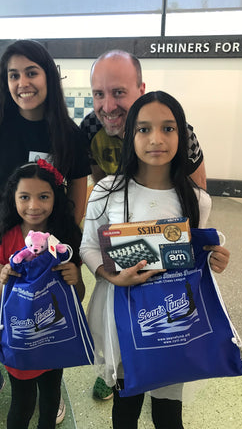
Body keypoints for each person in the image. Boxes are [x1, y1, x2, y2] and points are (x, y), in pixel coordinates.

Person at [0, 39, 90, 426]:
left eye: (32, 72)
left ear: (48, 77)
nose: (23, 83)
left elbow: (77, 197)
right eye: (13, 75)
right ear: (4, 81)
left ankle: (51, 392)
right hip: (0, 245)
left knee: (47, 322)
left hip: (49, 248)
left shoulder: (67, 133)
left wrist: (69, 249)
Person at [80, 91, 230, 429]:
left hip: (174, 320)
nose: (156, 139)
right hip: (123, 317)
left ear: (183, 135)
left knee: (167, 412)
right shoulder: (106, 193)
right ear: (130, 134)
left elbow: (194, 259)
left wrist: (214, 259)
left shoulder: (197, 199)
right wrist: (110, 275)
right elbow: (87, 246)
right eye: (144, 129)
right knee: (126, 404)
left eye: (168, 128)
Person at [0, 161, 85, 429]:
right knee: (21, 405)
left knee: (51, 399)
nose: (34, 206)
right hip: (18, 337)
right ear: (13, 199)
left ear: (56, 197)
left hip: (54, 335)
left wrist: (74, 279)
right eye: (24, 197)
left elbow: (77, 296)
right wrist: (4, 281)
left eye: (43, 196)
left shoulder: (65, 240)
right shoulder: (5, 239)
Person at [80, 49, 206, 190]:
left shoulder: (180, 132)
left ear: (141, 91)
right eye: (99, 94)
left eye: (119, 93)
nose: (108, 108)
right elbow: (102, 187)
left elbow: (198, 193)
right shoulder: (90, 128)